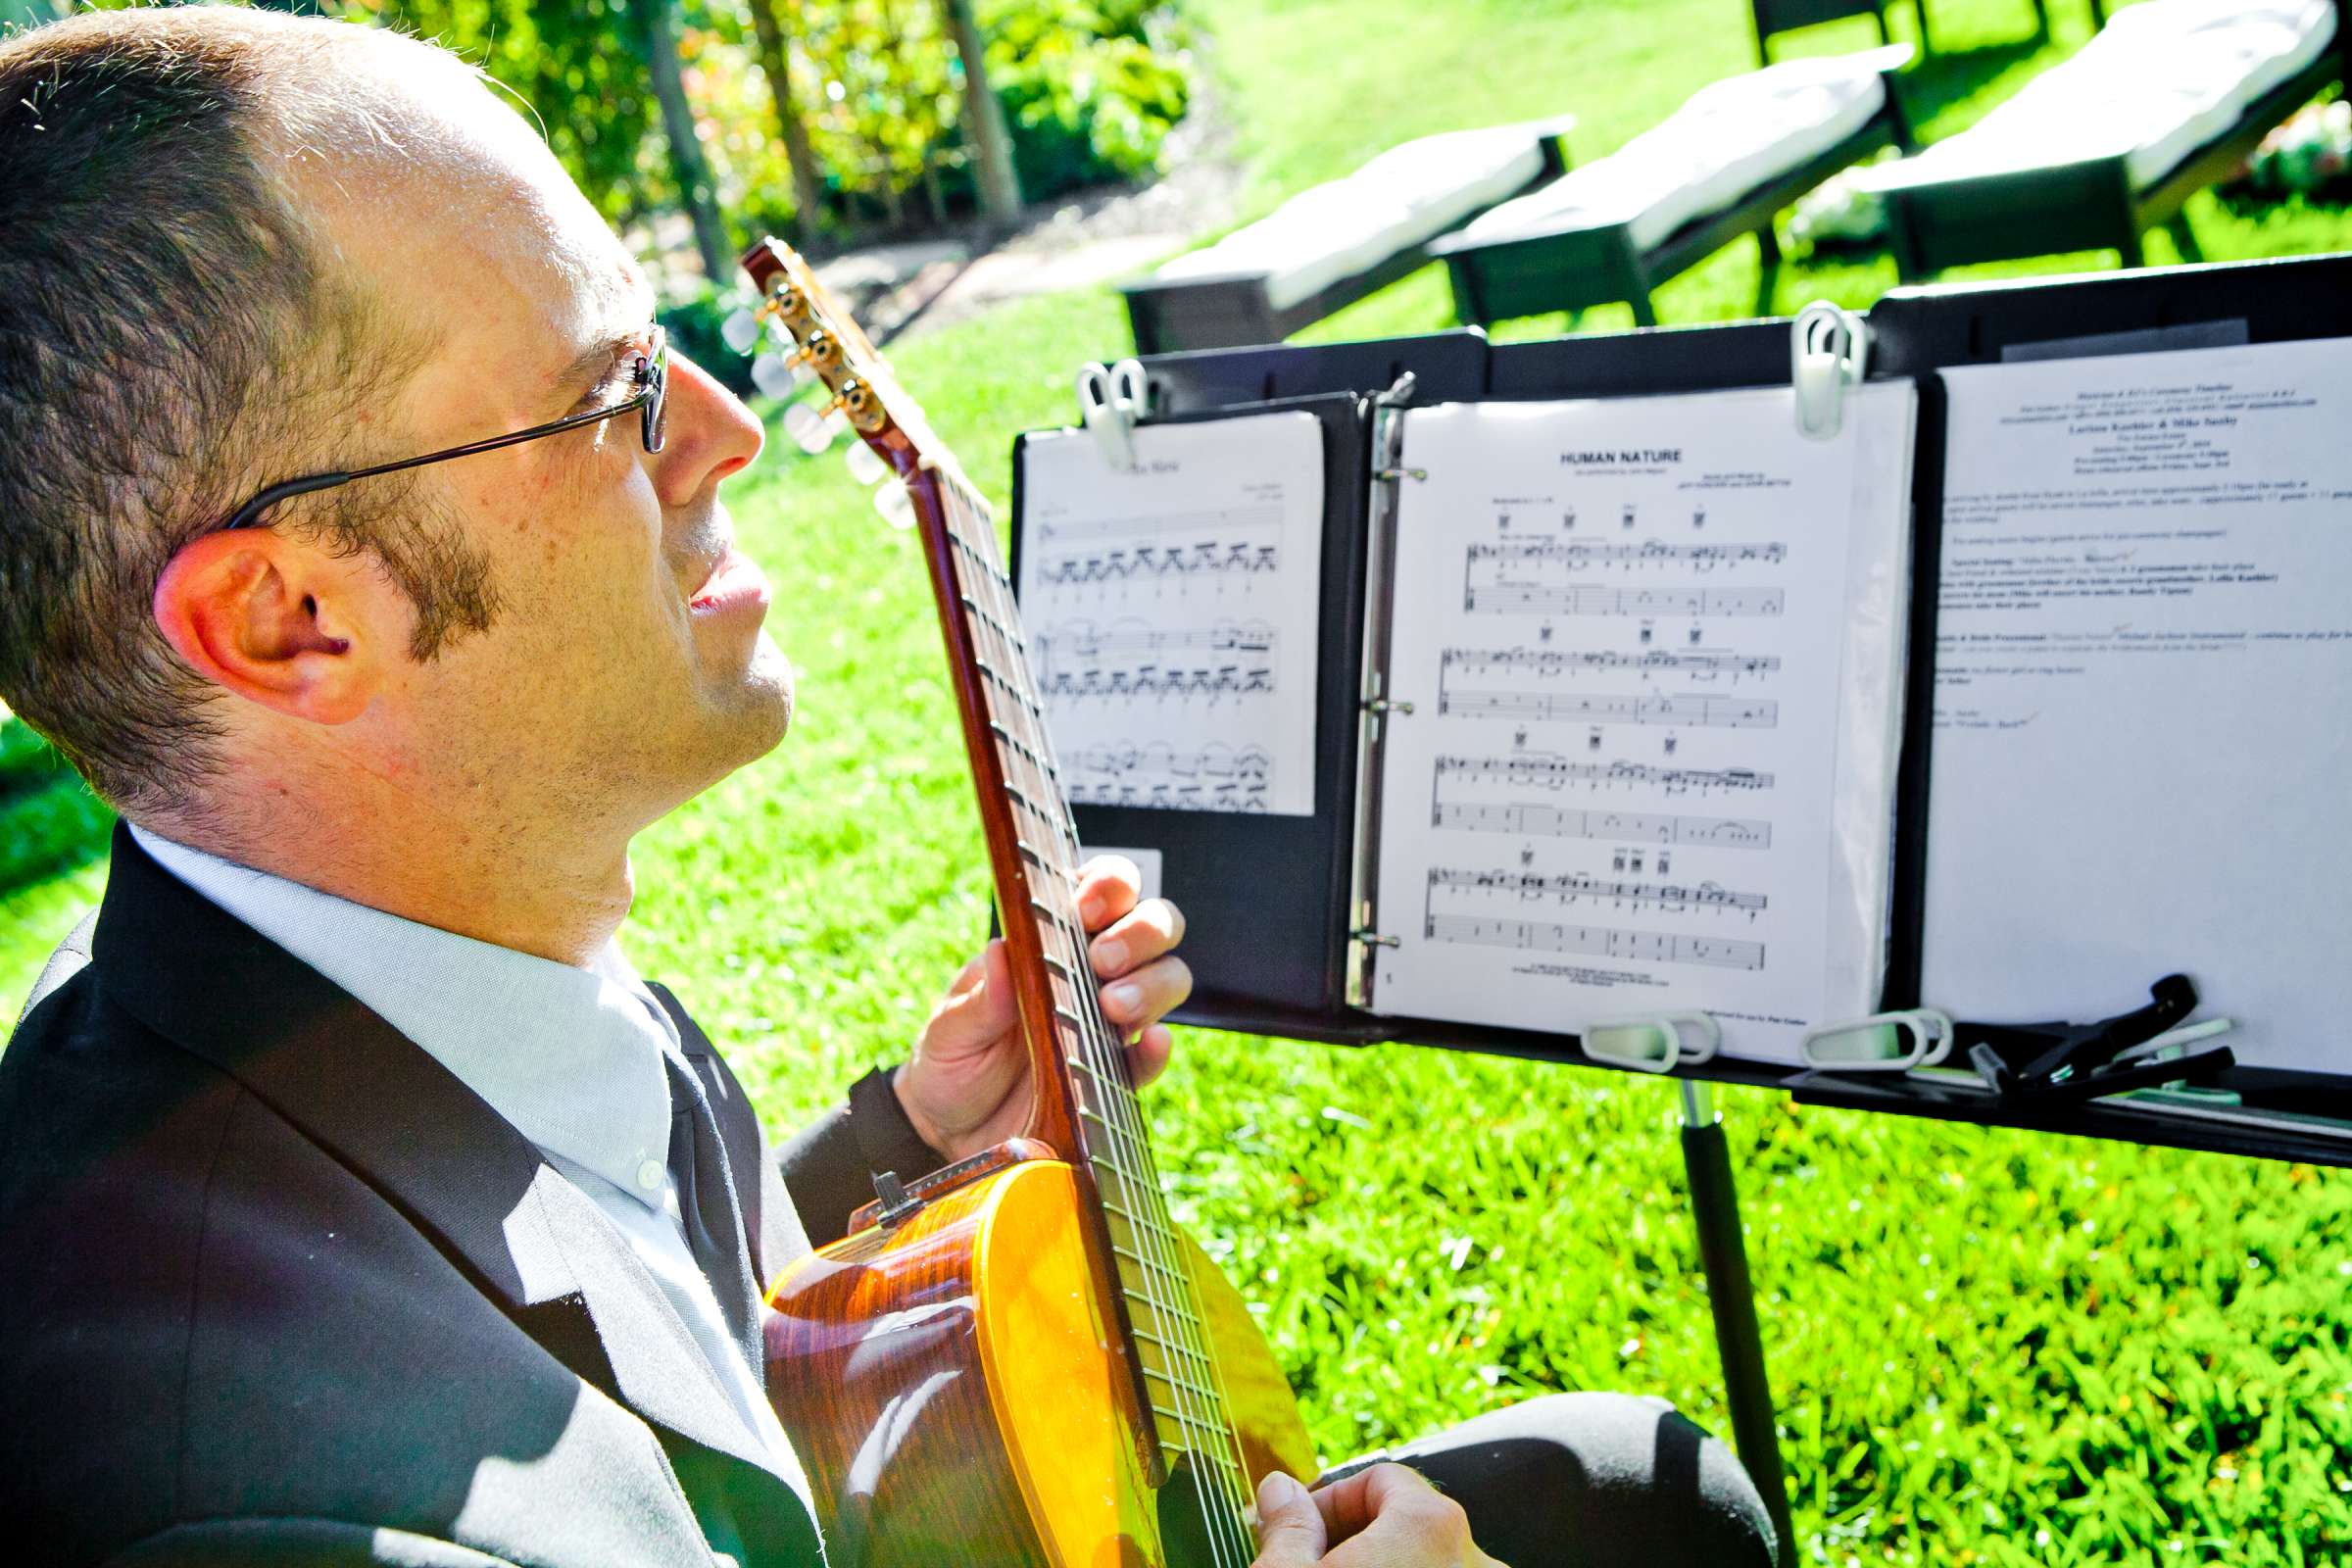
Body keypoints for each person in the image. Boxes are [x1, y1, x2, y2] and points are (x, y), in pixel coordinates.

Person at [0, 7, 1776, 1566]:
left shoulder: (407, 946)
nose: (720, 428)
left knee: (1639, 1488)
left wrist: (908, 1146)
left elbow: (628, 1323)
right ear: (293, 620)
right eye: (609, 394)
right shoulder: (273, 1500)